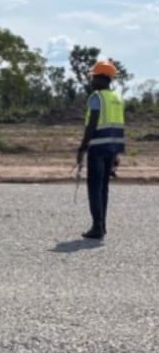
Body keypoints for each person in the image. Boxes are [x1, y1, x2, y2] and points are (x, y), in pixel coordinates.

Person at [76, 60, 125, 239]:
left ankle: (97, 227)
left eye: (94, 77)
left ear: (103, 78)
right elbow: (118, 126)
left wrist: (82, 147)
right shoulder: (117, 98)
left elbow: (92, 124)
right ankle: (101, 226)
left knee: (94, 187)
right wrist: (116, 154)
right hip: (112, 149)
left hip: (97, 148)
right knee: (104, 188)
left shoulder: (97, 97)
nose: (92, 80)